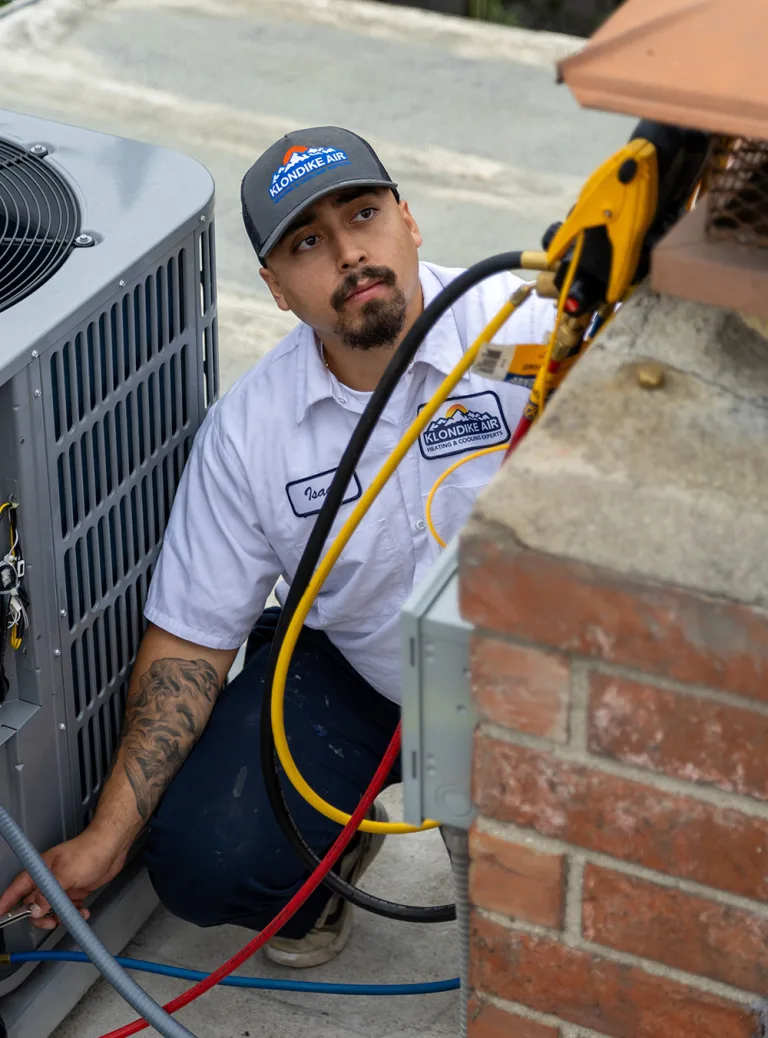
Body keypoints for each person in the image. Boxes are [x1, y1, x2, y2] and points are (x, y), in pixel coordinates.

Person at [0, 127, 554, 968]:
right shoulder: (250, 433)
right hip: (368, 668)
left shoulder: (533, 334)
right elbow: (187, 642)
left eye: (364, 213)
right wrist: (105, 840)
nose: (349, 253)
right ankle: (327, 868)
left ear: (409, 219)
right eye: (307, 243)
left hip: (541, 670)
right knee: (202, 860)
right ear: (277, 289)